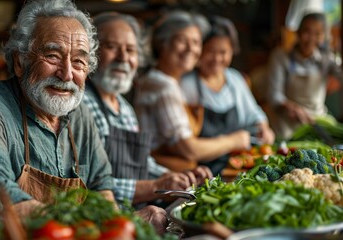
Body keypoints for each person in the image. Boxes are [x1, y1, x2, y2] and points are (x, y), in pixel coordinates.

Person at [0, 1, 167, 238]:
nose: (67, 73)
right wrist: (91, 226)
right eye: (52, 56)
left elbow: (102, 191)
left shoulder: (81, 116)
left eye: (79, 61)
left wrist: (126, 225)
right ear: (20, 62)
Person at [83, 12, 213, 208]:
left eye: (131, 50)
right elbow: (87, 186)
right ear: (90, 52)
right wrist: (157, 185)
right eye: (111, 47)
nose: (123, 57)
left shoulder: (124, 107)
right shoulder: (82, 105)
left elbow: (142, 165)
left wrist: (176, 178)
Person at [134, 11, 257, 176]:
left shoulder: (169, 81)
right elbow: (188, 148)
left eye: (196, 42)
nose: (191, 49)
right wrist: (234, 141)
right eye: (182, 41)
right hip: (161, 180)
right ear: (162, 44)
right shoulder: (163, 86)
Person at [181, 16, 275, 174]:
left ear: (232, 51)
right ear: (199, 51)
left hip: (237, 165)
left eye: (223, 52)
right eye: (210, 52)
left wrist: (264, 128)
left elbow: (254, 114)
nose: (217, 59)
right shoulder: (186, 85)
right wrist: (233, 141)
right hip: (202, 170)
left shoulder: (236, 80)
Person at [266, 12, 343, 140]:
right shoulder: (281, 57)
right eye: (307, 32)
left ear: (323, 37)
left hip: (317, 119)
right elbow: (274, 95)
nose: (311, 38)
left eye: (317, 33)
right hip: (287, 123)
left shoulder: (327, 59)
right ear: (298, 32)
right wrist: (291, 107)